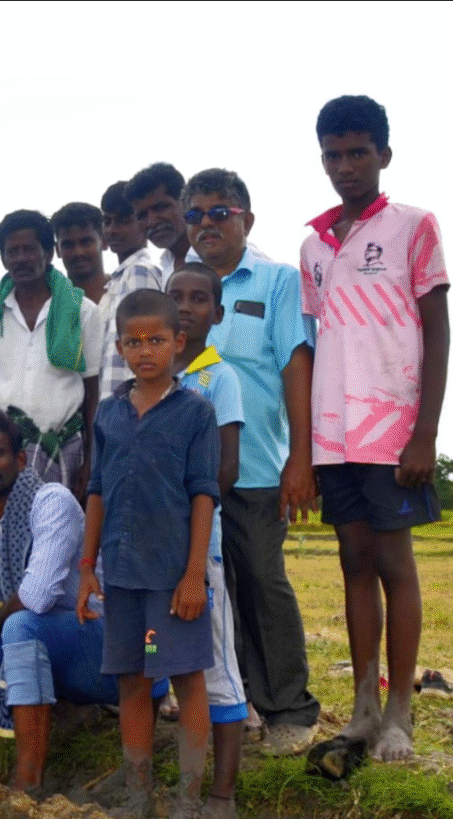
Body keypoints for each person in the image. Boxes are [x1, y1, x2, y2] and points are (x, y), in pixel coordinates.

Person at [0, 409, 161, 793]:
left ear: (20, 460)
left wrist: (2, 618)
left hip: (108, 649)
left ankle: (28, 781)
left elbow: (34, 598)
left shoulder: (50, 502)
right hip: (48, 644)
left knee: (21, 625)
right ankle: (47, 708)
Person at [300, 95, 449, 762]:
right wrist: (307, 447)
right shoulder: (314, 245)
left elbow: (438, 329)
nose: (345, 165)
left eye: (358, 151)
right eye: (333, 153)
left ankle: (400, 717)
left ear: (383, 154)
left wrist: (424, 432)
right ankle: (361, 710)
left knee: (394, 563)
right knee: (353, 562)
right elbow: (319, 342)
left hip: (394, 432)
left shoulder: (415, 226)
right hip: (336, 437)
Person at [185, 168, 322, 754]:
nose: (208, 224)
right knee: (215, 592)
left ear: (247, 219)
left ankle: (291, 712)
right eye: (196, 215)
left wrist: (302, 457)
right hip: (193, 475)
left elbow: (296, 364)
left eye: (221, 212)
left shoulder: (277, 282)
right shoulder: (182, 289)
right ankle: (232, 706)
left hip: (260, 466)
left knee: (263, 582)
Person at [77, 288, 218, 819]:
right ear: (119, 348)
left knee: (185, 678)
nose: (145, 351)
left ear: (178, 343)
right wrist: (88, 569)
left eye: (156, 340)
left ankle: (187, 801)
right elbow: (96, 492)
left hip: (170, 575)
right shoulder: (110, 415)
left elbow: (204, 494)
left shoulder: (194, 413)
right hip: (122, 576)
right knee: (132, 682)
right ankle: (138, 798)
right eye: (133, 342)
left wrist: (192, 576)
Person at [167, 263, 247, 819]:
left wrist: (176, 508)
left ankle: (222, 794)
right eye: (178, 297)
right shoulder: (148, 377)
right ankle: (162, 782)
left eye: (200, 299)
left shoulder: (219, 378)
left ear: (217, 314)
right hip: (149, 552)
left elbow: (226, 470)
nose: (188, 307)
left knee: (215, 665)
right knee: (157, 655)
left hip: (199, 546)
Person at [0, 210, 103, 498]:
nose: (21, 258)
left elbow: (93, 395)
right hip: (6, 454)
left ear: (49, 253)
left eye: (29, 249)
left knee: (60, 538)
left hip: (65, 448)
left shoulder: (82, 311)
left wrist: (90, 461)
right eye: (12, 251)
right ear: (3, 258)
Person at [97, 183, 164, 399]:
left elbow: (145, 350)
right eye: (107, 221)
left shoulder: (139, 272)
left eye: (124, 221)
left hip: (130, 406)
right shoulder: (119, 278)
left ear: (143, 223)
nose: (113, 230)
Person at [125, 163, 191, 276]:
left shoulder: (219, 257)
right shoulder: (165, 268)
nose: (151, 222)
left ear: (185, 203)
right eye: (142, 215)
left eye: (160, 208)